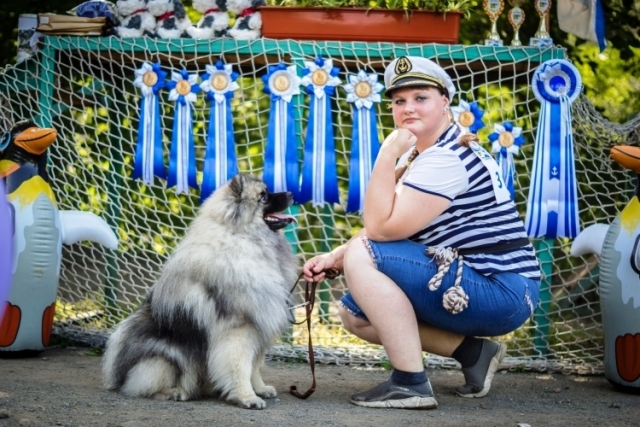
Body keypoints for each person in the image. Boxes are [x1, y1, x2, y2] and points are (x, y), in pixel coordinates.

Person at [302, 56, 541, 409]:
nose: (408, 108)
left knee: (364, 252)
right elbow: (390, 224)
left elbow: (379, 231)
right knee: (356, 314)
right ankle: (474, 354)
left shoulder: (445, 157)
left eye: (420, 98)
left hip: (502, 289)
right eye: (399, 101)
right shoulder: (425, 153)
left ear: (445, 102)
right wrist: (334, 257)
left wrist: (386, 153)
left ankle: (410, 384)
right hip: (493, 284)